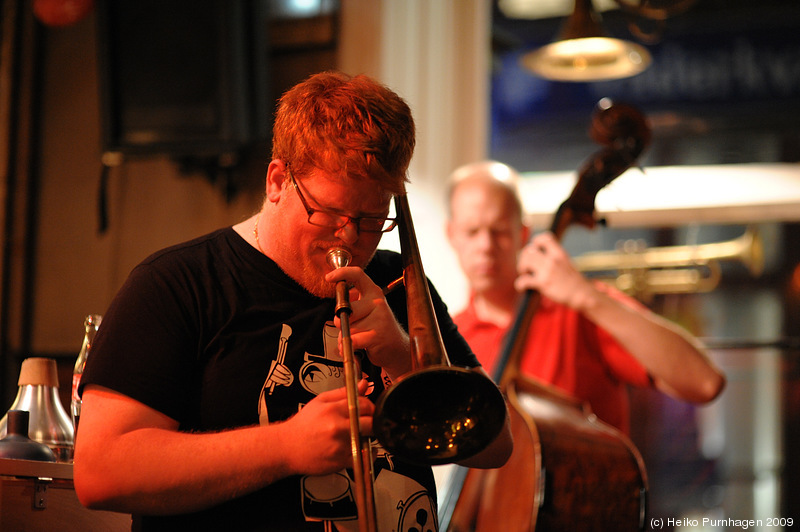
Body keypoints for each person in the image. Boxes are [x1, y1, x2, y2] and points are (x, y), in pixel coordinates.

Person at [73, 72, 512, 531]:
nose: (349, 238)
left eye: (370, 220)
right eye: (329, 213)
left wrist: (403, 358)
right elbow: (101, 471)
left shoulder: (398, 283)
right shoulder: (175, 284)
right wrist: (286, 446)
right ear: (278, 180)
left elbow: (497, 444)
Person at [445, 160, 725, 434]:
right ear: (452, 235)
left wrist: (586, 297)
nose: (485, 246)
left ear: (523, 233)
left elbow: (705, 382)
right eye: (472, 232)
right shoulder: (448, 340)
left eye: (499, 231)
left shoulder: (579, 307)